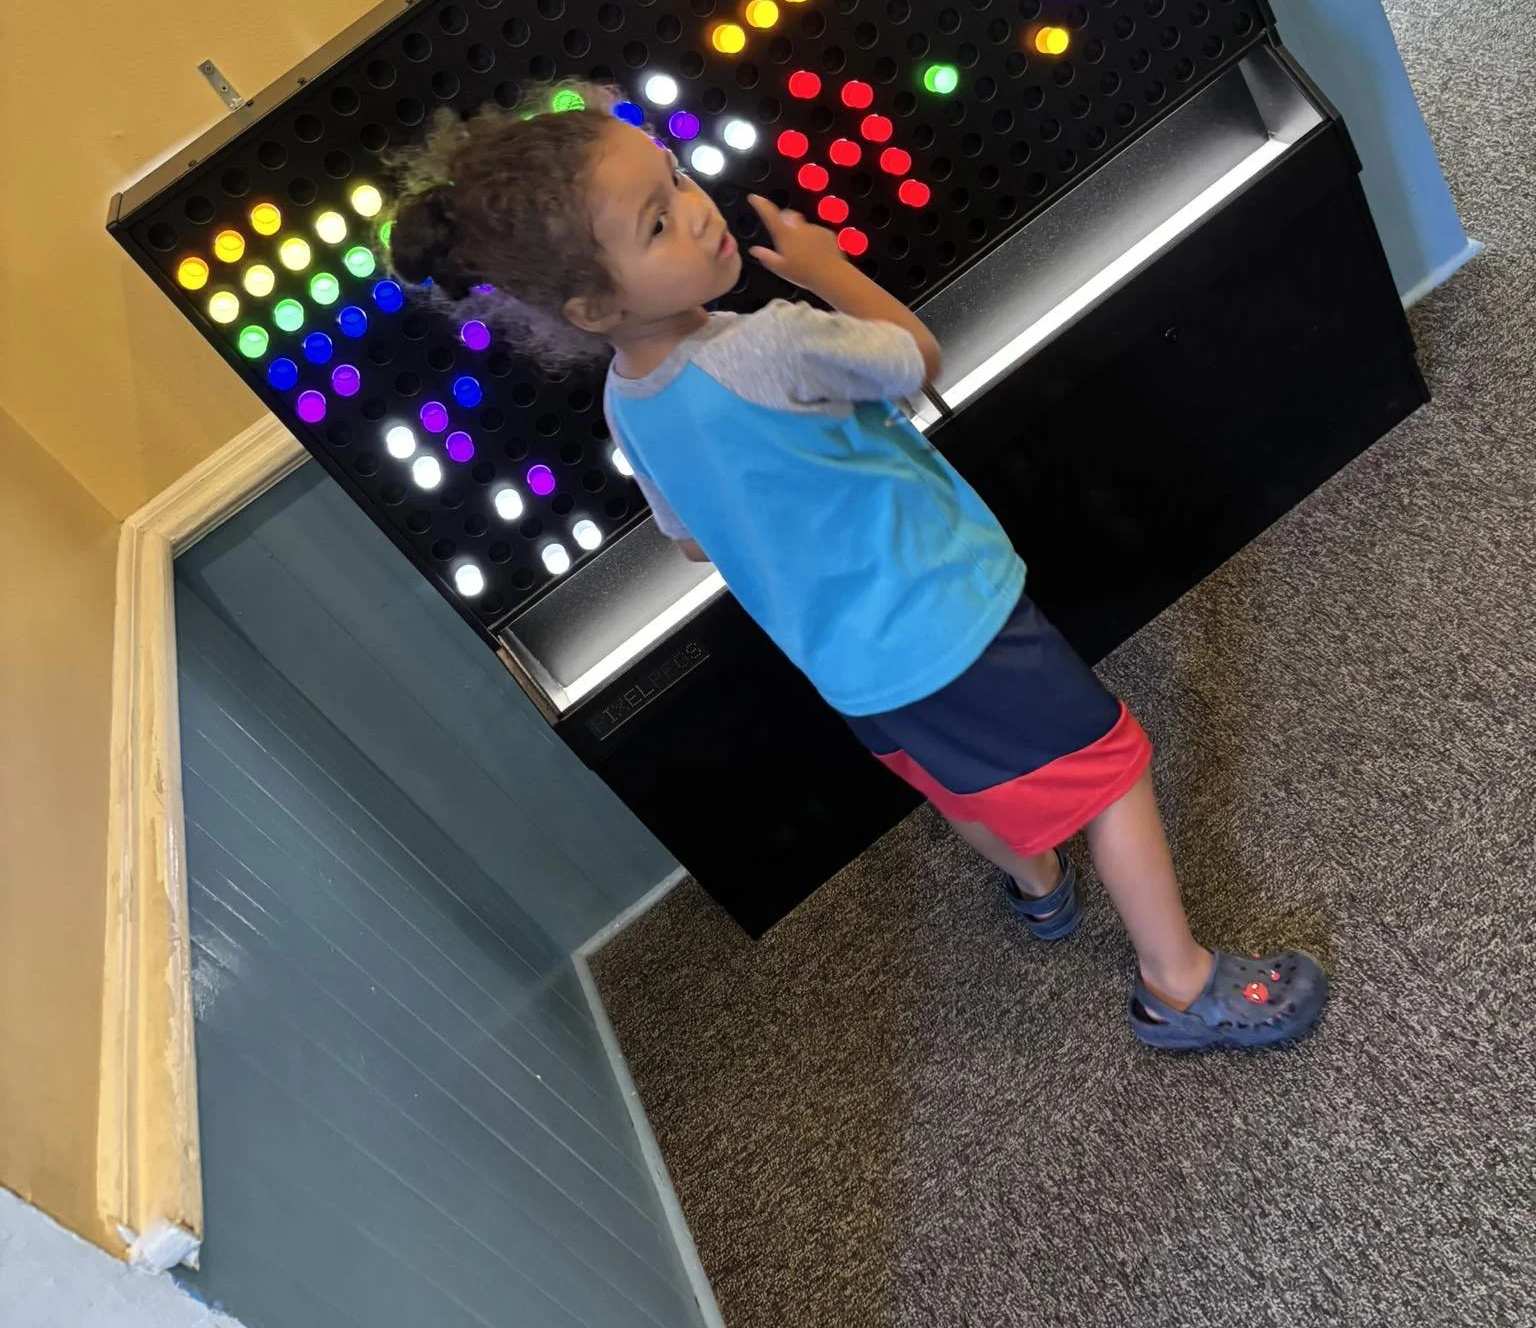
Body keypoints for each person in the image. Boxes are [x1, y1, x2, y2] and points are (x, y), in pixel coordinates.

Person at [390, 85, 1328, 1052]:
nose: (700, 205)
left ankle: (1039, 890)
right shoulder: (772, 342)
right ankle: (1178, 984)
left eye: (674, 175)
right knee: (1112, 774)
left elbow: (690, 540)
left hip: (848, 665)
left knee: (958, 780)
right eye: (658, 220)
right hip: (952, 623)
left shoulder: (630, 408)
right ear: (592, 303)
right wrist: (828, 269)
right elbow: (913, 357)